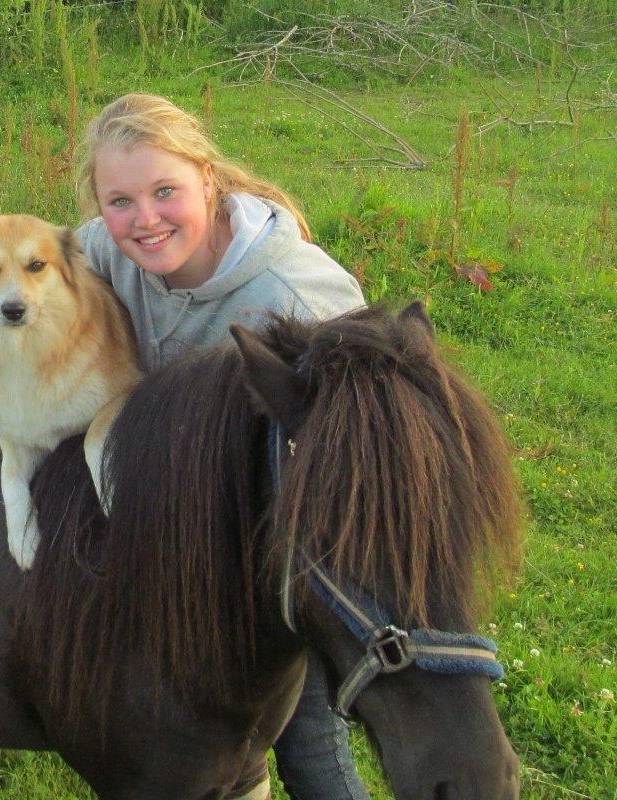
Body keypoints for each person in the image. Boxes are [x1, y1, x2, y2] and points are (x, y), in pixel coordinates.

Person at [75, 93, 370, 800]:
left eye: (165, 191)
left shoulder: (296, 293)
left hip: (283, 551)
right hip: (181, 530)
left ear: (209, 180)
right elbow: (29, 273)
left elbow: (359, 441)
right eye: (120, 201)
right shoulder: (102, 251)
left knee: (309, 748)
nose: (145, 220)